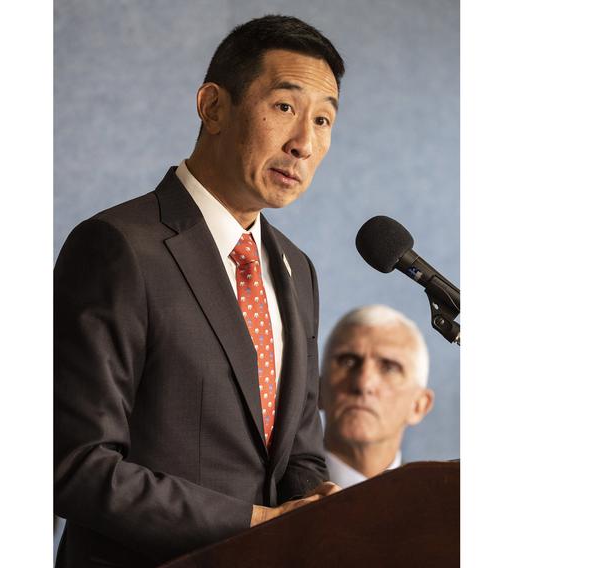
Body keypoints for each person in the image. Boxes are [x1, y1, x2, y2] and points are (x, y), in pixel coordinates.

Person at [54, 15, 344, 568]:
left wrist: (320, 506)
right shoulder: (117, 247)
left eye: (325, 119)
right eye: (285, 107)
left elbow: (298, 453)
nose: (305, 143)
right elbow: (75, 464)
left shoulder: (296, 269)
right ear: (212, 106)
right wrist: (253, 525)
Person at [319, 305, 435, 488]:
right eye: (348, 362)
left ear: (419, 405)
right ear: (317, 389)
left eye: (389, 367)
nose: (363, 384)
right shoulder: (267, 503)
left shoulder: (443, 509)